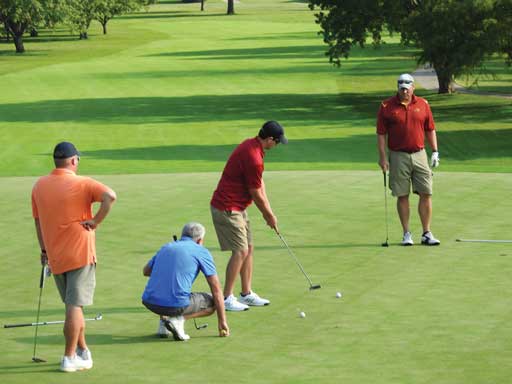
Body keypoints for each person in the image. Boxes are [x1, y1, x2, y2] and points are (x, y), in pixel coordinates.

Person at [31, 142, 117, 372]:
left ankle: (82, 350)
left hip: (55, 253)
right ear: (74, 160)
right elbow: (110, 196)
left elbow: (38, 222)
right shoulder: (83, 182)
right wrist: (96, 221)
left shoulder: (39, 185)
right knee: (74, 305)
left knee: (73, 305)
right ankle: (68, 357)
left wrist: (44, 251)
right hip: (80, 252)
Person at [210, 121, 287, 311]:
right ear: (269, 139)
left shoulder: (253, 147)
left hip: (238, 206)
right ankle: (226, 298)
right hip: (227, 207)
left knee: (249, 247)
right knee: (240, 251)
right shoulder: (253, 157)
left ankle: (246, 294)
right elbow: (255, 192)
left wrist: (270, 213)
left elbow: (260, 185)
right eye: (277, 142)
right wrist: (268, 215)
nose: (277, 145)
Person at [377, 73, 441, 246]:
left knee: (426, 192)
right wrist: (383, 159)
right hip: (398, 155)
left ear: (413, 87)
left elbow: (430, 129)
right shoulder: (386, 106)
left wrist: (435, 151)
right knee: (402, 195)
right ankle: (406, 234)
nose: (404, 92)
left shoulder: (423, 104)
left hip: (420, 154)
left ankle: (426, 233)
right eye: (401, 89)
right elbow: (381, 135)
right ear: (398, 88)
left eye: (407, 88)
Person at [142, 222, 229, 341]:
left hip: (150, 302)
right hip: (175, 305)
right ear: (200, 241)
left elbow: (146, 271)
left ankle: (164, 323)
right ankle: (178, 320)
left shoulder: (166, 247)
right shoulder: (202, 252)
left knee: (168, 289)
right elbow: (216, 290)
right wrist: (222, 321)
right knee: (212, 301)